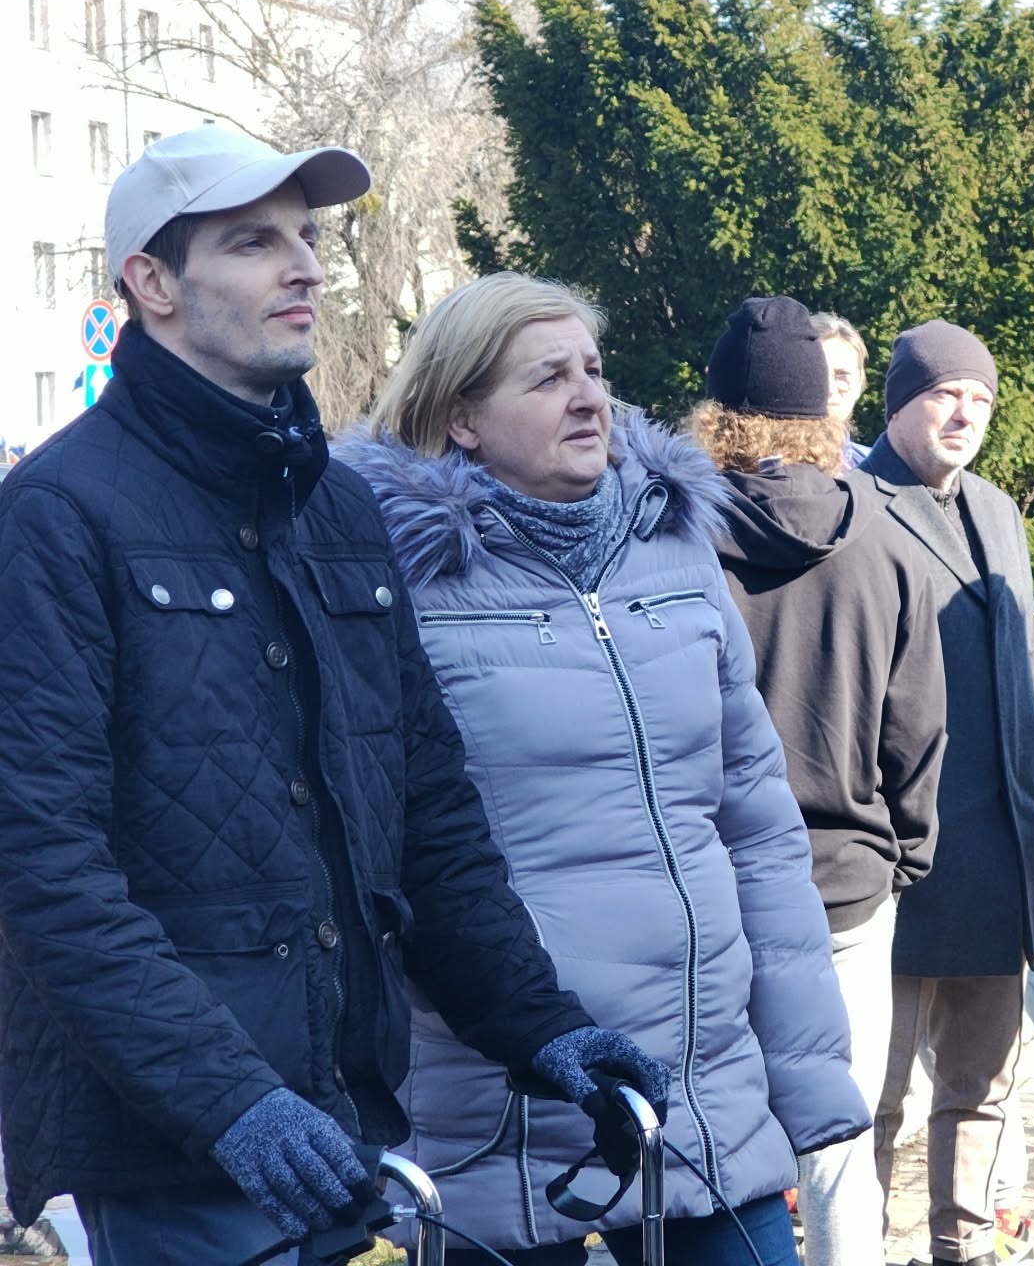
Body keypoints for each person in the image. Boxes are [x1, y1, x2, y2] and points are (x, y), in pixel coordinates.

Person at [0, 129, 664, 1264]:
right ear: (152, 283)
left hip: (346, 1120)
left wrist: (540, 1026)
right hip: (178, 1152)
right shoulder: (56, 515)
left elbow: (430, 817)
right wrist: (231, 1102)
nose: (306, 266)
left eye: (306, 237)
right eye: (254, 242)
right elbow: (42, 863)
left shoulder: (339, 513)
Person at [341, 273, 866, 1266]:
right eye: (547, 379)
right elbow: (392, 856)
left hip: (701, 1098)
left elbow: (756, 829)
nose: (590, 398)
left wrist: (806, 1076)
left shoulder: (674, 549)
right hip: (500, 1103)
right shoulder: (395, 579)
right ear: (461, 416)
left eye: (592, 369)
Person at [693, 296, 948, 1264]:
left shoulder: (669, 544)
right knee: (841, 1141)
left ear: (714, 413)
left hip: (713, 886)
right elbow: (917, 730)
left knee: (717, 1140)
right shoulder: (890, 544)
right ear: (822, 414)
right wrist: (904, 857)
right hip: (846, 885)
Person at [863, 322, 1034, 1266]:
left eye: (981, 399)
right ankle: (854, 1246)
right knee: (875, 1093)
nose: (965, 414)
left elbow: (1028, 654)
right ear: (900, 400)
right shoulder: (857, 506)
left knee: (981, 1086)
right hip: (897, 851)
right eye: (945, 393)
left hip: (999, 848)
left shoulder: (995, 509)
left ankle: (965, 1245)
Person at [815, 311, 874, 472]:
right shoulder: (766, 469)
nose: (830, 388)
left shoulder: (878, 470)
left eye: (842, 375)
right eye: (818, 374)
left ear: (860, 383)